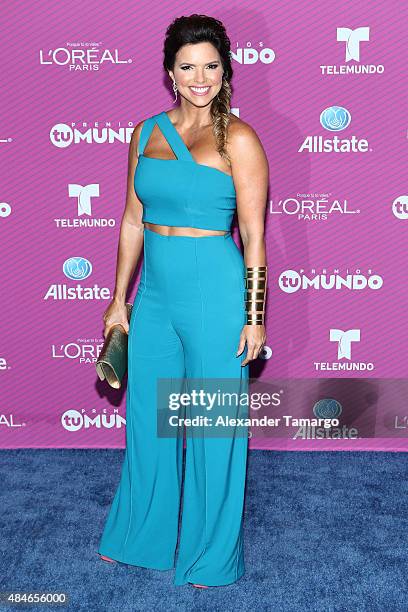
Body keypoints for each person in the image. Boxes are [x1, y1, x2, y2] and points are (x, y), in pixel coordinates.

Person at [97, 14, 269, 588]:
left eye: (212, 66)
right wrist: (118, 300)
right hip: (157, 296)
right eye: (189, 66)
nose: (201, 78)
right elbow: (130, 219)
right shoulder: (146, 132)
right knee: (148, 422)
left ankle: (211, 557)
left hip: (215, 293)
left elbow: (254, 238)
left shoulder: (239, 139)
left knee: (212, 427)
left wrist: (254, 317)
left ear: (226, 71)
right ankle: (137, 538)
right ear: (170, 71)